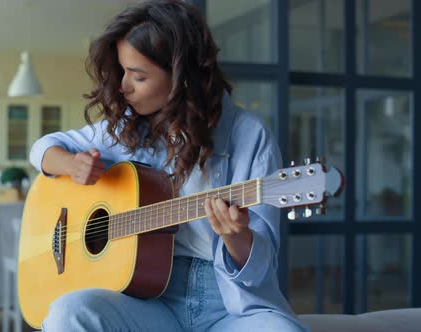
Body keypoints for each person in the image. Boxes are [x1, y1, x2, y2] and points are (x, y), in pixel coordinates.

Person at [29, 0, 308, 331]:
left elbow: (263, 265)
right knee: (68, 312)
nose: (122, 86)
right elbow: (42, 148)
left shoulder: (249, 136)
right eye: (122, 71)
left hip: (229, 306)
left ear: (182, 78)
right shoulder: (124, 128)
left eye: (138, 75)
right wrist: (70, 163)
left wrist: (237, 237)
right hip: (146, 301)